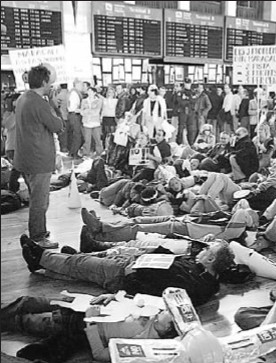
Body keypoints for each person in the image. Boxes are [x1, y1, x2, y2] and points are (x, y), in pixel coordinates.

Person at [19, 233, 235, 306]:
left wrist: (126, 287)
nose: (202, 250)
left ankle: (41, 255)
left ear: (211, 258)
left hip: (125, 274)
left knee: (78, 266)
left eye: (208, 250)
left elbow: (158, 293)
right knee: (81, 266)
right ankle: (40, 264)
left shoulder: (195, 283)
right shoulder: (204, 276)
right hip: (135, 265)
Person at [1, 292, 177, 362]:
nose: (160, 311)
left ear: (167, 329)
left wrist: (91, 323)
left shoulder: (145, 343)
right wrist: (112, 296)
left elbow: (100, 355)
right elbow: (127, 299)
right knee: (29, 301)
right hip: (84, 306)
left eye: (164, 314)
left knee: (25, 320)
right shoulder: (152, 313)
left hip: (79, 325)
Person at [14, 64, 64, 249]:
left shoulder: (23, 98)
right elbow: (58, 127)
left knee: (36, 198)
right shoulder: (40, 103)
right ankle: (38, 237)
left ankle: (37, 229)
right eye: (51, 81)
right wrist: (53, 105)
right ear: (44, 81)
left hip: (25, 157)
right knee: (40, 201)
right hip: (38, 159)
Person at [80, 84, 104, 158]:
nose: (89, 92)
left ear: (94, 92)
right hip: (87, 123)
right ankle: (86, 154)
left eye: (91, 91)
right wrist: (89, 111)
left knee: (97, 139)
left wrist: (87, 111)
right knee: (87, 140)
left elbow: (97, 111)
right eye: (88, 91)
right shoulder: (84, 101)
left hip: (96, 123)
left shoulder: (99, 101)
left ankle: (99, 153)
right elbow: (81, 112)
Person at [67, 79, 83, 159]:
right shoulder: (74, 94)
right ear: (77, 85)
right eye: (81, 85)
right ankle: (75, 153)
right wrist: (80, 110)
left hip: (71, 115)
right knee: (77, 135)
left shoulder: (71, 92)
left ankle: (72, 152)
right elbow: (73, 107)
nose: (82, 87)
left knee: (73, 135)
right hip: (75, 115)